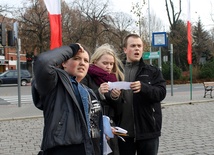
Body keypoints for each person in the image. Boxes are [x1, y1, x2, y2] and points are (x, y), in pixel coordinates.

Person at [31, 44, 98, 155]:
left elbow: (93, 126)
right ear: (64, 63)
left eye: (86, 61)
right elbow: (43, 62)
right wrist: (72, 48)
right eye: (76, 58)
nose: (82, 63)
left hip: (86, 149)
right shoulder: (54, 83)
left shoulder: (88, 92)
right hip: (61, 149)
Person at [117, 34, 167, 155]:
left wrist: (144, 87)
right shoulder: (117, 70)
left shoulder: (152, 71)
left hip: (147, 130)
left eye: (139, 46)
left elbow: (161, 93)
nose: (137, 49)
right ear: (125, 49)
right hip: (122, 132)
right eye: (133, 46)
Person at [81, 43, 124, 155]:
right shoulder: (86, 76)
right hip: (93, 128)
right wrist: (98, 93)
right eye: (105, 63)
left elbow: (120, 111)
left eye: (111, 63)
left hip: (111, 126)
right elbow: (82, 100)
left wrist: (116, 97)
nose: (108, 66)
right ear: (95, 62)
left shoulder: (114, 79)